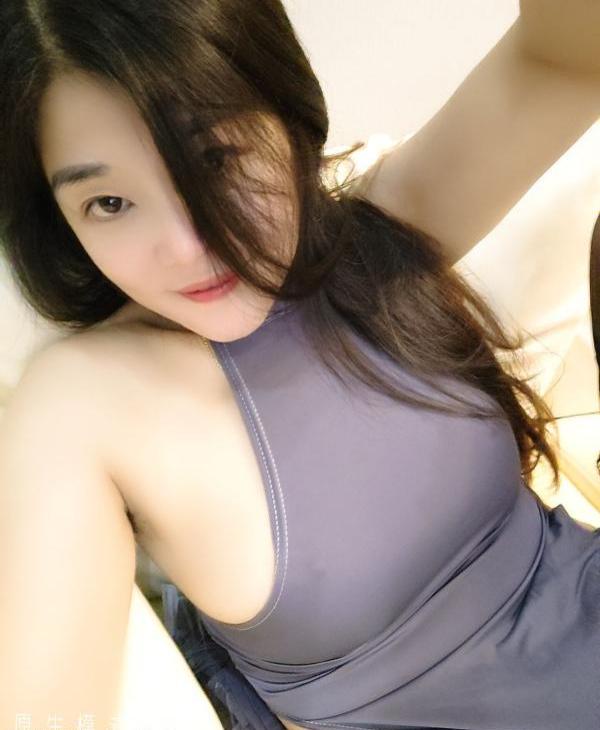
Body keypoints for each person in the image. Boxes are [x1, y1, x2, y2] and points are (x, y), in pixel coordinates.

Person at [0, 1, 599, 729]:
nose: (188, 247)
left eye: (216, 160)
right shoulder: (80, 403)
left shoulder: (376, 234)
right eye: (111, 202)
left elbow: (566, 57)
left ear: (284, 111)